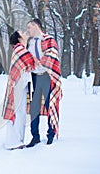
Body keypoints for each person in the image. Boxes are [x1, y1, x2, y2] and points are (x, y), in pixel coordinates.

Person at [24, 18, 62, 147]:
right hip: (34, 77)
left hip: (47, 76)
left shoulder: (48, 39)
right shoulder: (28, 42)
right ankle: (35, 137)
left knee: (49, 103)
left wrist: (41, 61)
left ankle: (50, 134)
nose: (28, 30)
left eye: (29, 27)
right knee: (34, 107)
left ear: (36, 26)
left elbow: (53, 54)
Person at [2, 31, 34, 150]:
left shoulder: (21, 48)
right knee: (17, 112)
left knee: (21, 112)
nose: (26, 33)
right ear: (19, 38)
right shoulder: (20, 49)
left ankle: (18, 140)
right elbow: (32, 63)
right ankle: (13, 142)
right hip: (18, 84)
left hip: (21, 84)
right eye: (23, 32)